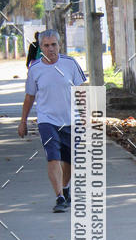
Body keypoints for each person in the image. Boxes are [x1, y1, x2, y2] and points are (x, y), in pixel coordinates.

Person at [18, 29, 87, 213]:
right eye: (46, 46)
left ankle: (65, 188)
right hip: (47, 120)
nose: (51, 49)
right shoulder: (35, 69)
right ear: (40, 48)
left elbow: (81, 91)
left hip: (71, 120)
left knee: (70, 159)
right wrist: (23, 121)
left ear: (59, 45)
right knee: (53, 157)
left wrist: (86, 115)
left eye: (54, 45)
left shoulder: (70, 64)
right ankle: (60, 197)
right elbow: (29, 97)